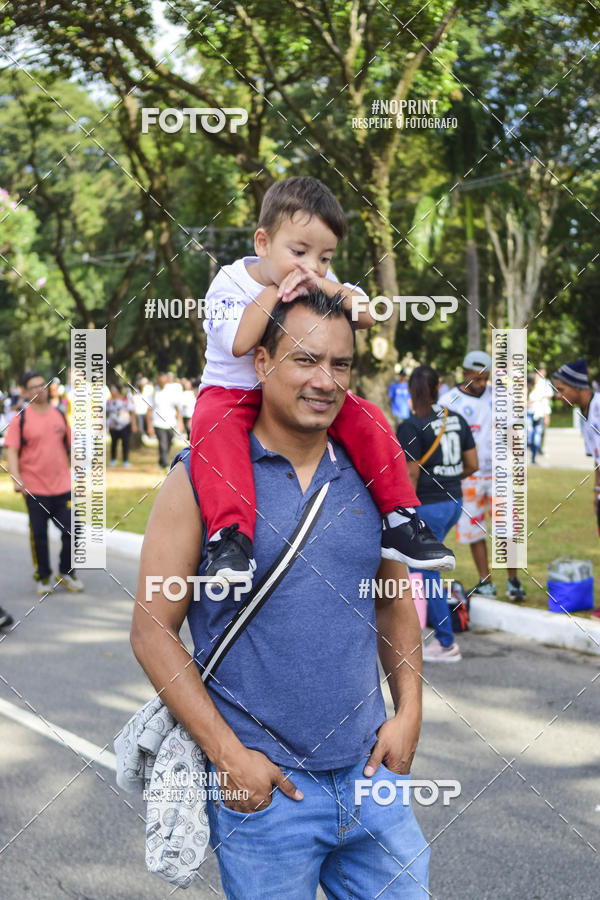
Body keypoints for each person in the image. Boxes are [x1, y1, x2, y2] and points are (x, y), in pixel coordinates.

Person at [131, 290, 430, 898]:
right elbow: (150, 631)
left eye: (340, 365)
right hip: (267, 797)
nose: (325, 381)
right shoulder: (202, 480)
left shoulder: (373, 472)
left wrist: (410, 712)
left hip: (372, 780)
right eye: (305, 360)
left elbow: (392, 599)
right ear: (262, 362)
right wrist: (228, 758)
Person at [190, 175, 454, 583]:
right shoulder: (230, 283)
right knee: (212, 429)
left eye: (325, 257)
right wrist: (277, 290)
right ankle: (231, 539)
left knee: (368, 417)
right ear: (263, 243)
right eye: (299, 252)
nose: (312, 266)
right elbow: (241, 342)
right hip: (234, 393)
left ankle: (400, 519)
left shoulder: (318, 283)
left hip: (304, 391)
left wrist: (326, 285)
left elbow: (369, 314)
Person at [398, 366, 479, 662]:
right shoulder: (455, 419)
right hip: (453, 502)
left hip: (427, 505)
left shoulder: (411, 425)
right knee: (427, 569)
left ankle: (446, 644)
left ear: (410, 390)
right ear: (439, 385)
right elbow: (472, 463)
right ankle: (438, 637)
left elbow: (410, 474)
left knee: (424, 571)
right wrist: (448, 477)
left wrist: (403, 512)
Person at [440, 351, 526, 602]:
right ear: (464, 373)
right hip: (467, 478)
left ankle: (513, 580)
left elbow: (512, 432)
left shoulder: (499, 397)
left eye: (485, 379)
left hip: (499, 475)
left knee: (507, 527)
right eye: (476, 379)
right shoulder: (449, 401)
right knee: (474, 530)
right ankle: (485, 580)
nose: (480, 384)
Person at [4, 371, 84, 595]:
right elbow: (11, 450)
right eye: (33, 386)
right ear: (26, 391)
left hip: (62, 486)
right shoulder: (21, 418)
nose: (40, 389)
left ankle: (66, 571)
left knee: (73, 531)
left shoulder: (59, 415)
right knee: (39, 535)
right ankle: (44, 576)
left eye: (43, 385)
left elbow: (71, 447)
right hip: (35, 488)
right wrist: (16, 479)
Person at [553, 359, 600, 538]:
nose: (558, 395)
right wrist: (597, 491)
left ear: (578, 387)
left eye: (561, 389)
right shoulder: (584, 415)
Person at [146, 372, 184, 471]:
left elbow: (177, 408)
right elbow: (149, 410)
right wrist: (149, 426)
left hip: (170, 422)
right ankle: (166, 464)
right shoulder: (154, 394)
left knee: (169, 442)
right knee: (163, 444)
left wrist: (180, 422)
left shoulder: (171, 393)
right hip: (158, 423)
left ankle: (161, 460)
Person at [106, 382, 137, 467]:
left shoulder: (126, 401)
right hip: (113, 426)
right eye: (111, 390)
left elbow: (132, 412)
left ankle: (125, 460)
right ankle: (113, 459)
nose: (112, 392)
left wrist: (134, 425)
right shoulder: (109, 401)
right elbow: (106, 413)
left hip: (125, 425)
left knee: (125, 443)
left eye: (114, 390)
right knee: (113, 443)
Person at [527, 366, 553, 464]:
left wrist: (547, 416)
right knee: (529, 433)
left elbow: (547, 400)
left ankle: (534, 456)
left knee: (537, 436)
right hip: (529, 413)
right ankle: (529, 447)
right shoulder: (528, 387)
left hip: (540, 413)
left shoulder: (546, 383)